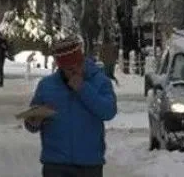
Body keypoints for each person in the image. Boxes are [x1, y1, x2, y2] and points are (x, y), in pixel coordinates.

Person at [24, 36, 117, 177]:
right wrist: (33, 122)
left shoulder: (100, 82)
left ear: (82, 61)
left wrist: (83, 89)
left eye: (78, 65)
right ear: (60, 67)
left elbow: (108, 111)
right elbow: (31, 121)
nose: (74, 71)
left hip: (89, 164)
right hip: (55, 164)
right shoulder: (47, 86)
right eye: (69, 69)